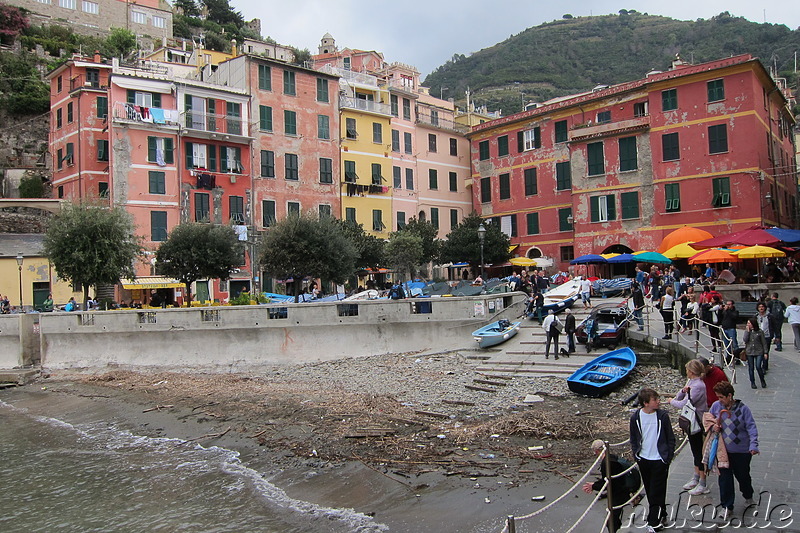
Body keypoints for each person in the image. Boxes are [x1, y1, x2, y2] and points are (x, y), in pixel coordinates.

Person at [709, 381, 759, 522]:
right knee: (724, 479)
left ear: (729, 396)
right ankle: (727, 506)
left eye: (721, 397)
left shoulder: (743, 409)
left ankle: (748, 495)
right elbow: (709, 421)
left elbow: (751, 427)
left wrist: (753, 445)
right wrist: (714, 427)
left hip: (742, 451)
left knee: (743, 476)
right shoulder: (716, 407)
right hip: (723, 451)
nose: (719, 400)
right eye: (717, 397)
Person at [630, 388, 676, 532]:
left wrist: (667, 457)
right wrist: (636, 455)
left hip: (659, 459)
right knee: (651, 490)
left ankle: (653, 522)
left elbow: (670, 438)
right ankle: (661, 513)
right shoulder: (635, 417)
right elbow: (634, 438)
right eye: (655, 400)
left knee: (657, 490)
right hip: (643, 459)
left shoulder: (662, 416)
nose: (658, 401)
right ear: (645, 403)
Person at [667, 360, 709, 495]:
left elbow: (684, 403)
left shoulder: (698, 386)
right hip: (691, 421)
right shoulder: (691, 383)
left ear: (691, 371)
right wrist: (682, 391)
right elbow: (682, 395)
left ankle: (702, 482)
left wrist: (671, 402)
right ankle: (696, 477)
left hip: (696, 421)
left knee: (698, 451)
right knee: (694, 450)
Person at [582, 439, 628, 532]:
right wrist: (595, 484)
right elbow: (607, 480)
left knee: (611, 522)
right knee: (614, 519)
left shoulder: (606, 463)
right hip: (622, 489)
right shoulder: (612, 457)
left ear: (597, 451)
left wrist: (593, 486)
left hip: (618, 493)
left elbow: (607, 483)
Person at [743, 317, 768, 389]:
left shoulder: (760, 332)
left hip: (759, 351)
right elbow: (745, 340)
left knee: (758, 366)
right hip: (750, 351)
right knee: (751, 367)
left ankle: (762, 380)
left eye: (749, 323)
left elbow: (764, 343)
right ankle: (752, 382)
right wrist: (747, 331)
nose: (748, 325)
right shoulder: (747, 331)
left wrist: (765, 352)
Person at [754, 302, 772, 373]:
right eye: (759, 307)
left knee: (766, 351)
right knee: (759, 351)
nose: (761, 308)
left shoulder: (769, 316)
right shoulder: (756, 316)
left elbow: (774, 326)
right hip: (758, 336)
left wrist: (775, 336)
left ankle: (764, 366)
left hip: (767, 336)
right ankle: (760, 364)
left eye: (762, 307)